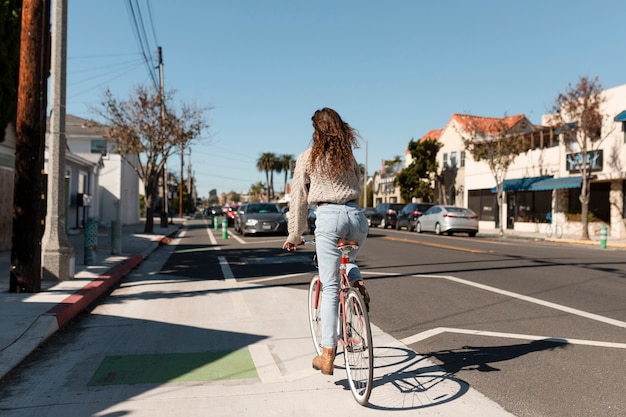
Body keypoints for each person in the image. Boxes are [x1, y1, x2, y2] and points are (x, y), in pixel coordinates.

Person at [282, 107, 369, 375]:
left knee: (330, 287)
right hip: (357, 218)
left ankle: (328, 354)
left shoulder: (307, 158)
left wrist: (295, 235)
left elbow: (297, 198)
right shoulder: (348, 156)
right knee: (349, 259)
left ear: (316, 131)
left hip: (330, 217)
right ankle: (355, 278)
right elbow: (359, 181)